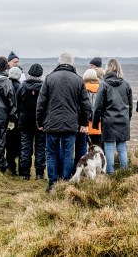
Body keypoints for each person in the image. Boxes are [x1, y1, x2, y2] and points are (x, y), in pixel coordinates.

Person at [36, 53, 90, 192]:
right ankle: (65, 182)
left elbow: (41, 103)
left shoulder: (49, 78)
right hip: (71, 124)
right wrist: (84, 123)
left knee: (51, 153)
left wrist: (40, 121)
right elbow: (85, 104)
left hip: (52, 122)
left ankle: (52, 183)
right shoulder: (78, 80)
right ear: (72, 63)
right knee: (68, 153)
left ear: (59, 63)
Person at [93, 58, 132, 174]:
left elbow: (98, 106)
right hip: (123, 120)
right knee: (122, 148)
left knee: (109, 148)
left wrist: (96, 122)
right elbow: (130, 105)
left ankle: (110, 173)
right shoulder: (126, 84)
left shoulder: (104, 84)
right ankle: (124, 172)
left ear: (107, 68)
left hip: (108, 121)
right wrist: (127, 119)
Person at [17, 63, 46, 180]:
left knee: (25, 147)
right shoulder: (44, 86)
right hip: (40, 122)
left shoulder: (23, 86)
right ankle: (39, 173)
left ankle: (25, 173)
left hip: (25, 120)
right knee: (40, 147)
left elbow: (17, 102)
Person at [5, 66, 23, 175]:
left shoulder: (6, 85)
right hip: (18, 118)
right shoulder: (20, 87)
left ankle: (11, 166)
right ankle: (21, 168)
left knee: (9, 144)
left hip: (7, 118)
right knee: (19, 144)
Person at [82, 69, 102, 149]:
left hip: (85, 126)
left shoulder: (82, 88)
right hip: (99, 126)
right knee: (98, 150)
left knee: (83, 148)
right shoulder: (102, 88)